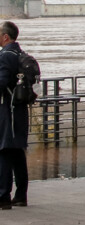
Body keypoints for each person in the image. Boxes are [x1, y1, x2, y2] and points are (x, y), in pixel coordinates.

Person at [0, 21, 28, 209]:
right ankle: (20, 195)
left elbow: (1, 82)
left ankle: (3, 197)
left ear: (5, 36)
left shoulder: (5, 55)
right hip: (19, 110)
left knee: (4, 152)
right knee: (17, 152)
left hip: (7, 111)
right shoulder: (19, 53)